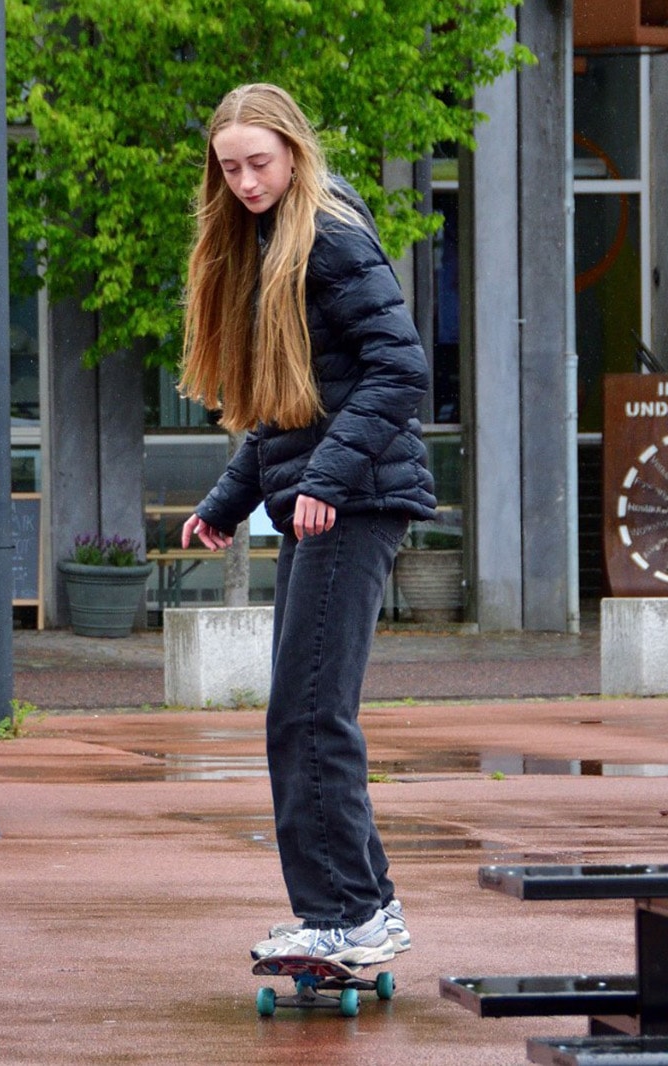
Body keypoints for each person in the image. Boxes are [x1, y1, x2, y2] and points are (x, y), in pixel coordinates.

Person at [175, 84, 437, 964]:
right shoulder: (266, 240)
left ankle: (348, 919)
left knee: (310, 714)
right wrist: (226, 501)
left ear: (294, 150)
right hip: (325, 498)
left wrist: (326, 478)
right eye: (230, 167)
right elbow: (291, 407)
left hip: (353, 502)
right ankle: (368, 908)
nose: (247, 181)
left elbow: (401, 369)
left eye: (260, 162)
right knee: (305, 711)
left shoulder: (327, 233)